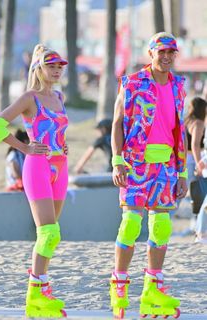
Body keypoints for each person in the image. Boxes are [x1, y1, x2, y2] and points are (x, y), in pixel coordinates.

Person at [110, 32, 188, 319]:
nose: (166, 57)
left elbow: (180, 131)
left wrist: (182, 170)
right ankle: (119, 284)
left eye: (171, 52)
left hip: (166, 166)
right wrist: (117, 161)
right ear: (150, 53)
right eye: (161, 52)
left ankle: (152, 289)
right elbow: (117, 123)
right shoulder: (132, 83)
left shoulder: (179, 85)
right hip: (135, 165)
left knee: (161, 227)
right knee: (131, 223)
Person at [0, 45, 69, 318]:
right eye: (52, 65)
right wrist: (24, 148)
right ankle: (35, 294)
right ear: (39, 68)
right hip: (37, 167)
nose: (57, 69)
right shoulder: (29, 98)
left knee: (50, 236)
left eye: (60, 65)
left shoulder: (59, 96)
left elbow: (57, 130)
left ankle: (41, 291)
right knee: (48, 233)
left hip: (61, 167)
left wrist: (63, 147)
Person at [183, 97, 207, 234]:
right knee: (198, 193)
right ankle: (197, 224)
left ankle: (196, 224)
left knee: (191, 193)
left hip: (184, 158)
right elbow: (195, 144)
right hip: (192, 158)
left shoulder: (187, 121)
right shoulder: (198, 123)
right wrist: (199, 163)